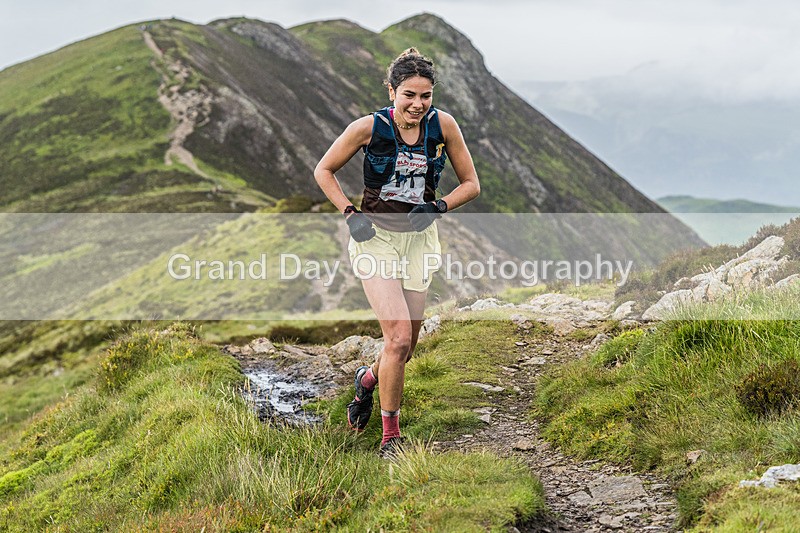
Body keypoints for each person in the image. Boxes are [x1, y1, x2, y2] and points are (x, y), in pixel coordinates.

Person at [314, 48, 480, 456]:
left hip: (419, 241)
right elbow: (323, 170)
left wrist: (438, 206)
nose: (417, 105)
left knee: (408, 346)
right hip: (376, 240)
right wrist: (350, 213)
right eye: (409, 95)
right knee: (398, 336)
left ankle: (368, 380)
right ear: (391, 91)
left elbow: (471, 183)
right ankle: (391, 438)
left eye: (425, 96)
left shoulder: (443, 125)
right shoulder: (368, 128)